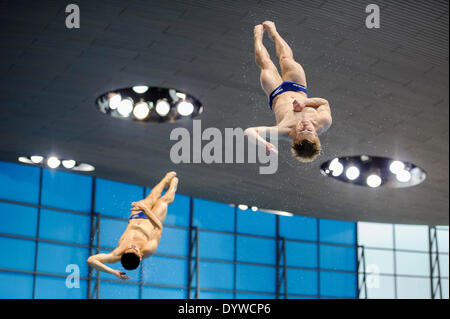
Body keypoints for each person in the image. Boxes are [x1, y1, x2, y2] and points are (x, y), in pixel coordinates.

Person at [245, 21, 332, 162]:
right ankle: (274, 33)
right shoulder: (324, 121)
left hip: (276, 93)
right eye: (309, 130)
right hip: (298, 87)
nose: (305, 126)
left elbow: (249, 131)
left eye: (301, 131)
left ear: (294, 137)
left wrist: (265, 144)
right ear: (315, 134)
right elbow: (324, 103)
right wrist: (305, 102)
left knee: (265, 63)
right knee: (286, 58)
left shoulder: (284, 131)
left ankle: (257, 36)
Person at [87, 172, 178, 280]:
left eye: (128, 249)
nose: (132, 246)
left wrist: (113, 272)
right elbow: (159, 228)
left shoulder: (117, 254)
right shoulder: (148, 250)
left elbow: (91, 260)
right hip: (153, 219)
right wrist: (146, 210)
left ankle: (165, 179)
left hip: (136, 217)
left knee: (151, 197)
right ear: (140, 257)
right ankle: (174, 185)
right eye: (135, 249)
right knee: (164, 200)